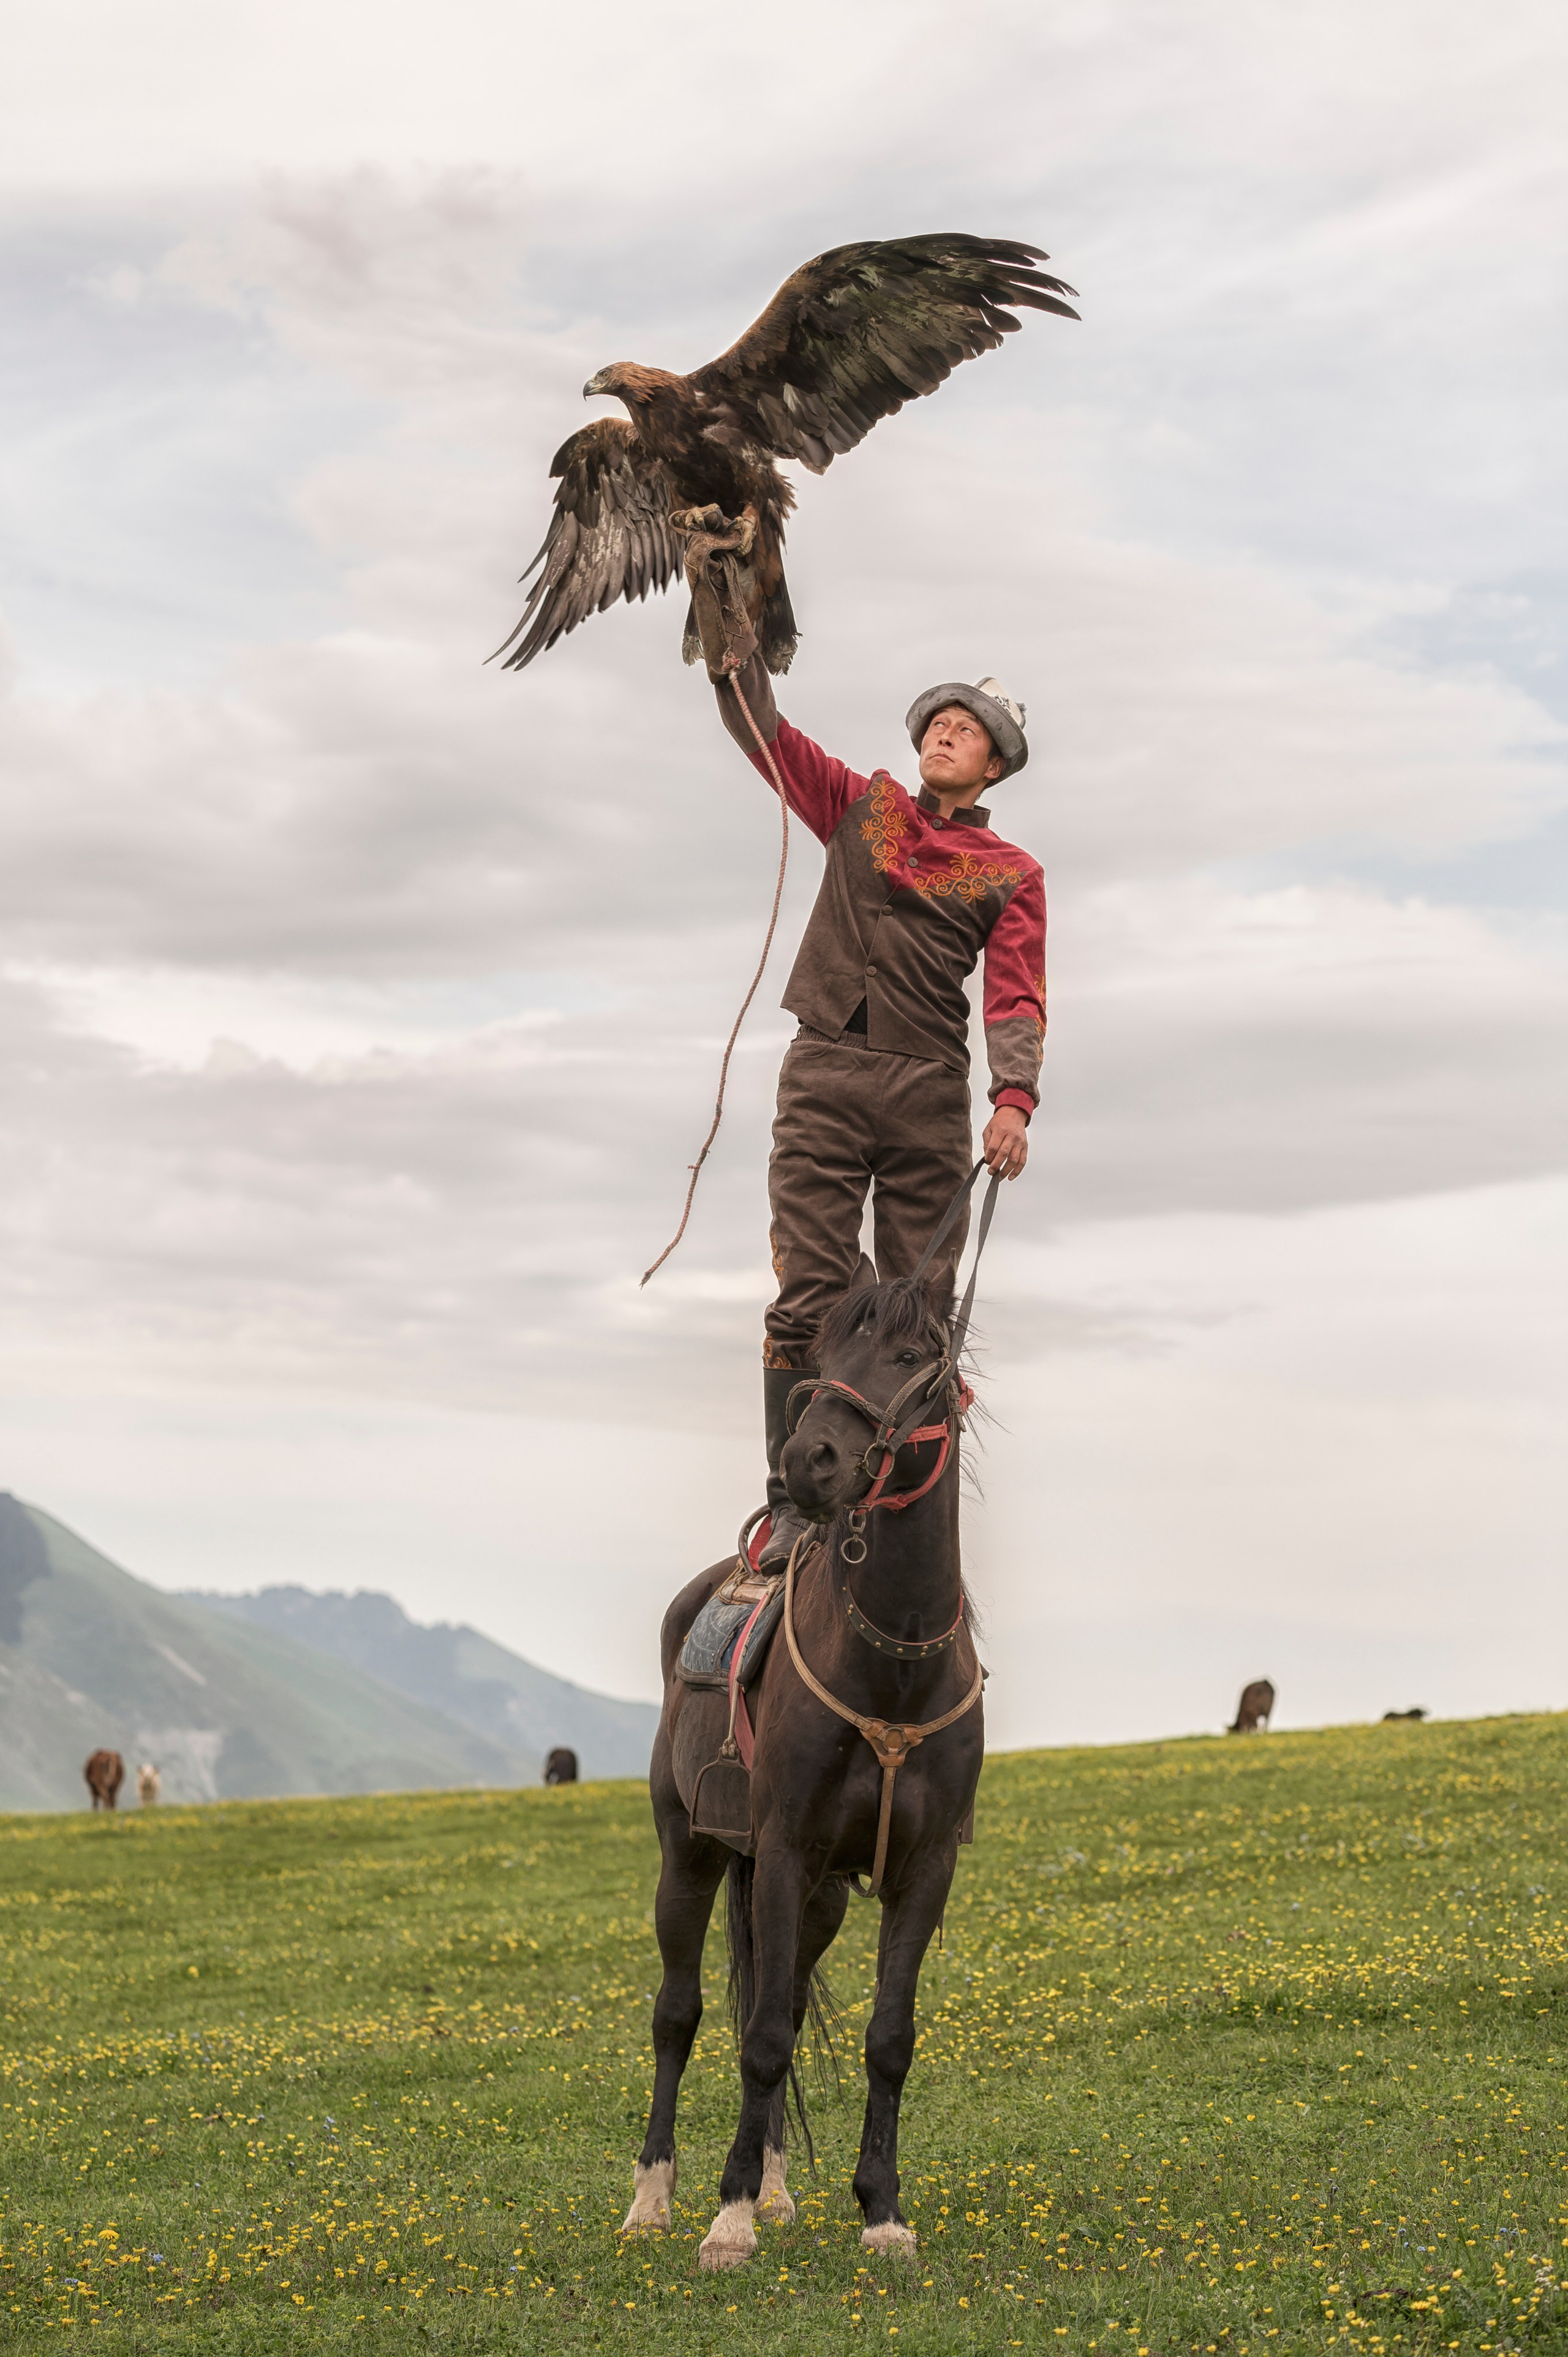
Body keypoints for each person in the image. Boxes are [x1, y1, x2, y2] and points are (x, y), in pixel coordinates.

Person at [714, 652, 1046, 1568]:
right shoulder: (861, 808)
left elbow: (1015, 995)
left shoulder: (1011, 871)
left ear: (994, 768)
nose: (948, 729)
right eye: (940, 718)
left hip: (928, 1094)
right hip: (824, 1074)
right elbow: (766, 735)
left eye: (970, 728)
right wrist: (731, 653)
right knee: (809, 1297)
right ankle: (789, 1502)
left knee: (918, 1320)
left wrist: (1012, 1098)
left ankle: (905, 1510)